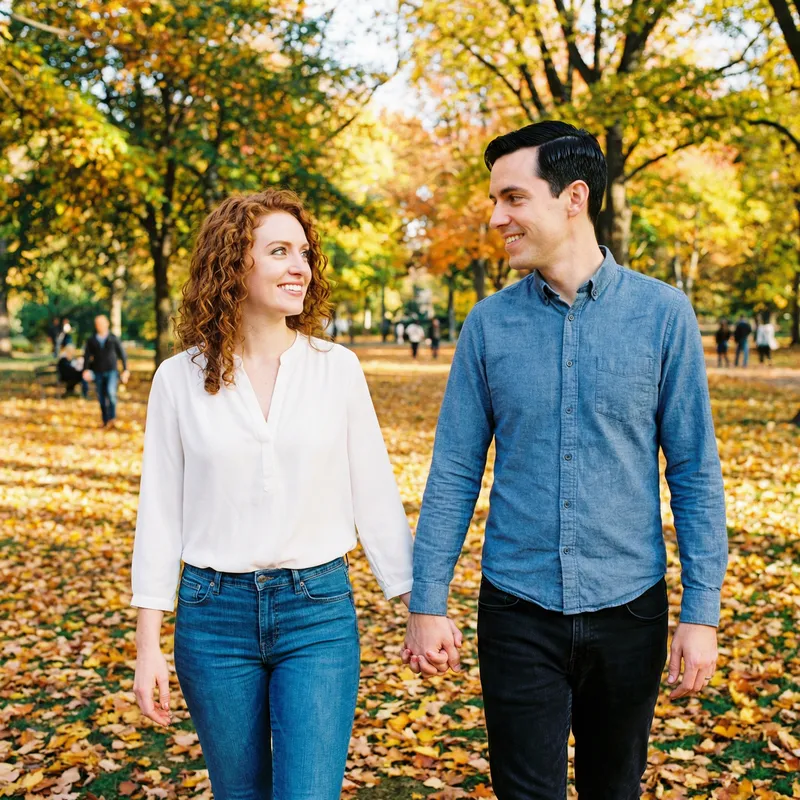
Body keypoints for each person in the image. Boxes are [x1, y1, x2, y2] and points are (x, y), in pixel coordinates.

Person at [402, 121, 728, 800]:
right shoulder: (487, 325)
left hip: (630, 608)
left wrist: (701, 613)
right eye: (495, 200)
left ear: (573, 197)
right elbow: (455, 471)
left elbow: (695, 472)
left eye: (513, 198)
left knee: (615, 789)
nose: (497, 217)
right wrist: (427, 601)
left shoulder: (665, 315)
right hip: (516, 608)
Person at [130, 190, 454, 800]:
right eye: (279, 251)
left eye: (303, 252)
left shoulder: (336, 368)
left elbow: (374, 494)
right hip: (212, 617)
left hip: (317, 613)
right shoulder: (177, 379)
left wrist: (421, 606)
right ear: (234, 263)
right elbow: (160, 515)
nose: (300, 266)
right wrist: (148, 645)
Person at [82, 315, 130, 429]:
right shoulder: (92, 340)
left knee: (111, 393)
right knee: (101, 397)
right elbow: (87, 356)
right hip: (98, 371)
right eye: (98, 324)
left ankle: (112, 419)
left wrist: (125, 370)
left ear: (107, 324)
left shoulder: (113, 338)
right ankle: (105, 420)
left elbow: (122, 354)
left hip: (112, 371)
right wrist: (85, 370)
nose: (100, 326)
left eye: (102, 323)